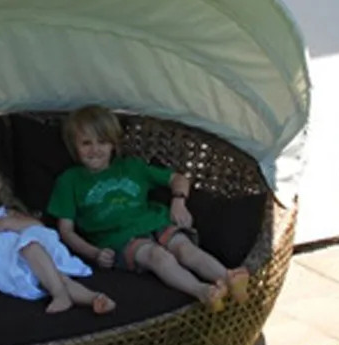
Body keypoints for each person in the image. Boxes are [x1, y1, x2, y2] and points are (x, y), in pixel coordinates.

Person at [48, 105, 250, 307]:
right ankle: (203, 291)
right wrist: (94, 253)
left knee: (185, 249)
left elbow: (178, 179)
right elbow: (66, 231)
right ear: (74, 146)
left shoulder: (132, 166)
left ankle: (229, 278)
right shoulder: (69, 180)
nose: (95, 150)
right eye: (86, 143)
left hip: (155, 222)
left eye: (102, 142)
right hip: (119, 239)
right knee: (158, 256)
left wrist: (178, 202)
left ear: (113, 144)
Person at [0, 159, 116, 315]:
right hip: (8, 266)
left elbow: (37, 226)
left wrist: (7, 223)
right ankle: (62, 294)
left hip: (29, 253)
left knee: (40, 256)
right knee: (54, 278)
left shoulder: (2, 214)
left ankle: (93, 298)